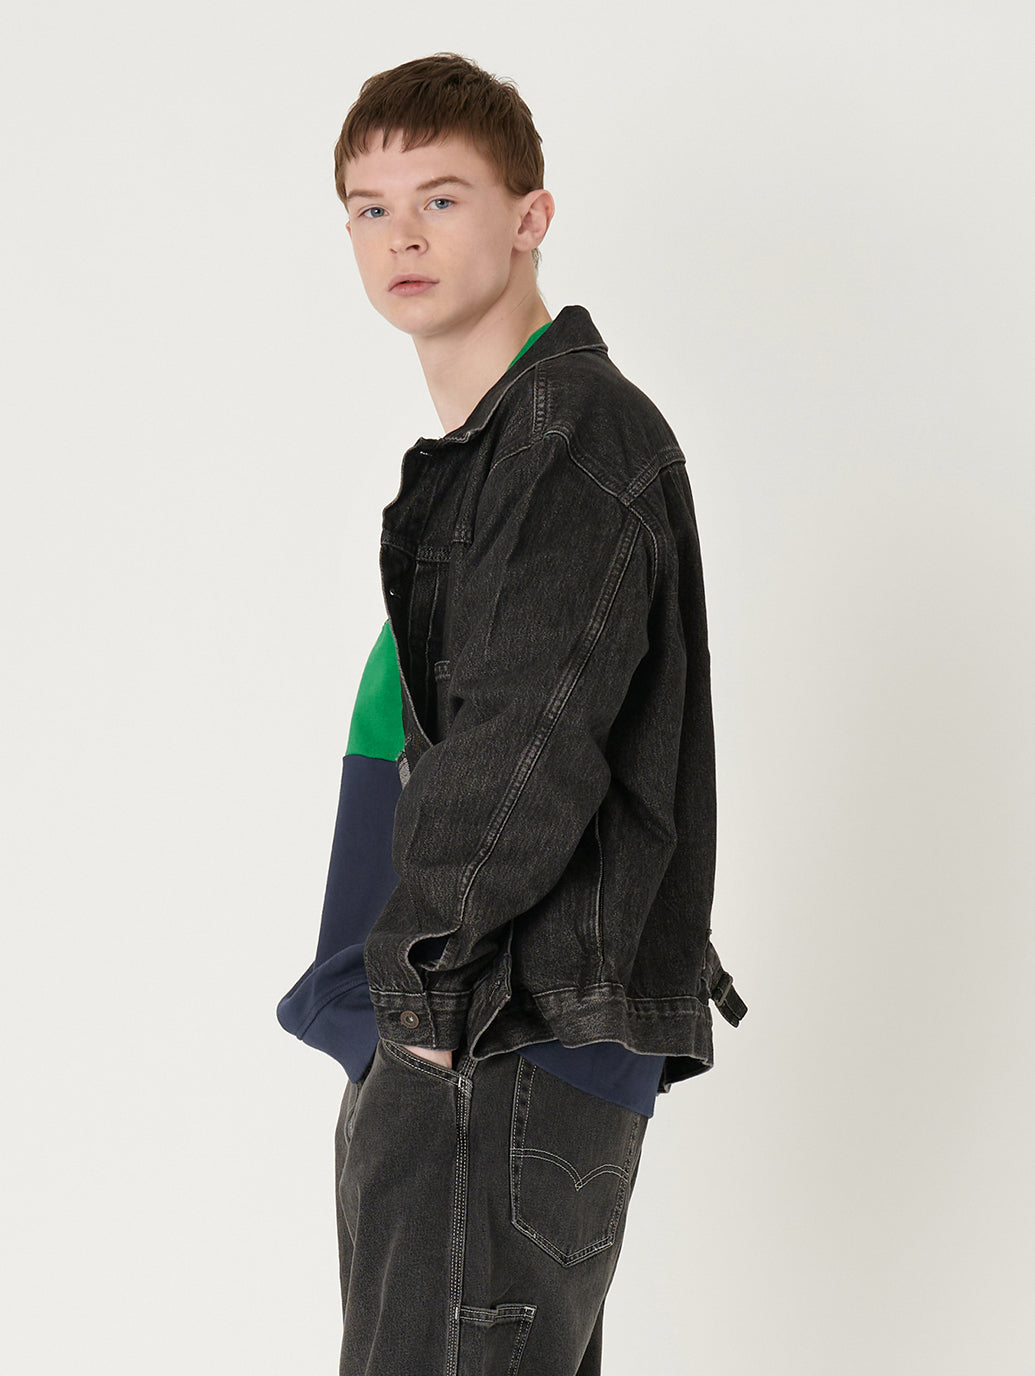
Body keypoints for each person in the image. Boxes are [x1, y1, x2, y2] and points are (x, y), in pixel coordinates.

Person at [277, 51, 747, 1376]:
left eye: (442, 199)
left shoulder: (566, 440)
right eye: (369, 209)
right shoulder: (500, 453)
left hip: (487, 1045)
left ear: (530, 216)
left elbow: (526, 747)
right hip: (473, 1046)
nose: (401, 237)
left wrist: (423, 1005)